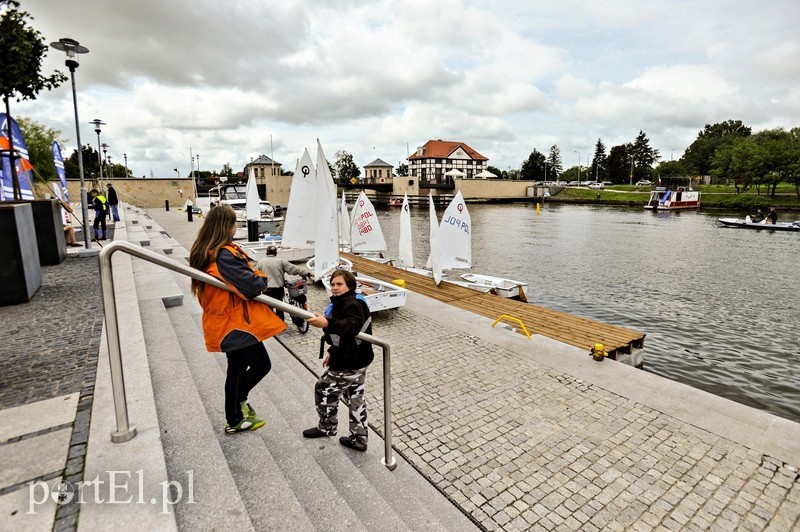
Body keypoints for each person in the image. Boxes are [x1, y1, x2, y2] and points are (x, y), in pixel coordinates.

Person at [188, 203, 286, 435]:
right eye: (233, 223)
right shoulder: (224, 255)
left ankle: (234, 417)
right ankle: (236, 407)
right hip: (234, 324)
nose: (235, 227)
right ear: (227, 227)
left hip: (226, 322)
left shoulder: (210, 251)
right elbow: (252, 285)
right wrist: (261, 277)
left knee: (236, 369)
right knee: (262, 365)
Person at [303, 269, 374, 452]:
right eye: (333, 284)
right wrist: (330, 351)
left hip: (350, 362)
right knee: (354, 396)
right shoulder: (345, 301)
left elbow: (350, 326)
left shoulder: (352, 304)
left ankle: (327, 427)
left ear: (349, 286)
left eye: (339, 284)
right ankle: (359, 438)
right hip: (358, 358)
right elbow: (342, 337)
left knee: (324, 389)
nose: (335, 288)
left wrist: (326, 323)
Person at [253, 246, 312, 321]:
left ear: (267, 253)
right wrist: (307, 273)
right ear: (276, 253)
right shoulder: (281, 261)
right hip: (278, 289)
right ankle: (281, 323)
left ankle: (271, 324)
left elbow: (253, 273)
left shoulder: (261, 262)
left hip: (266, 289)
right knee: (280, 307)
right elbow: (294, 269)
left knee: (268, 308)